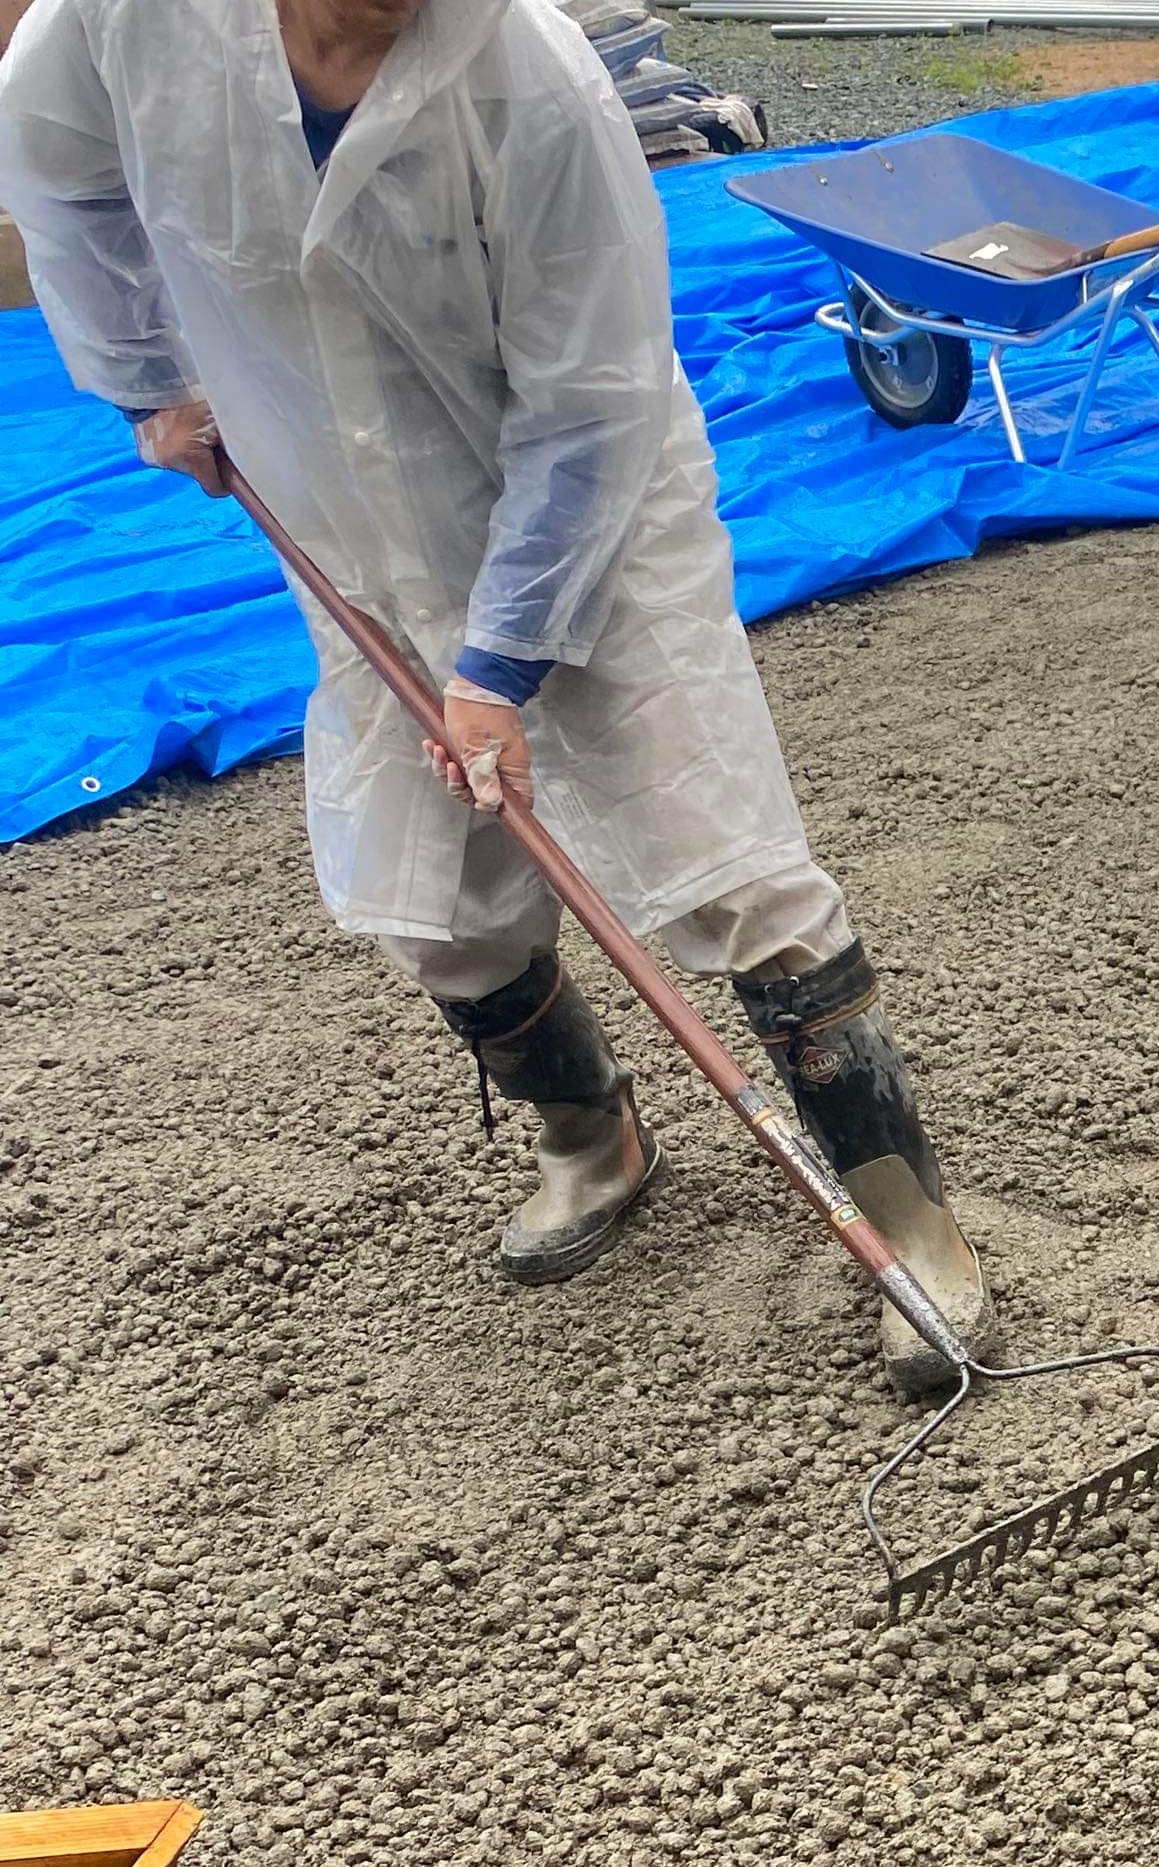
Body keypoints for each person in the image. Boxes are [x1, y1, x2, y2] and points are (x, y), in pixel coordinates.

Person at [0, 0, 991, 1389]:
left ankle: (913, 1228)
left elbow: (589, 404)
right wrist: (141, 385)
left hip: (595, 513)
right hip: (347, 510)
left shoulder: (535, 82)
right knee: (439, 896)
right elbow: (51, 161)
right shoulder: (123, 21)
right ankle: (594, 1137)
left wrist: (499, 667)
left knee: (728, 859)